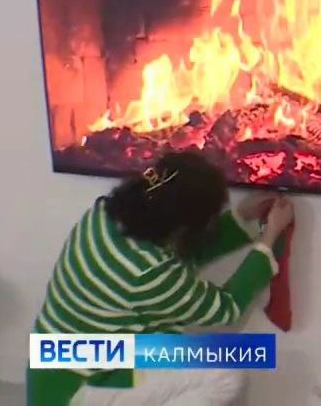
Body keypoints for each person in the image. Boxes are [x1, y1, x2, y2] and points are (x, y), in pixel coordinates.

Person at [27, 151, 294, 405]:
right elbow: (226, 309)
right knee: (226, 372)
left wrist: (241, 216)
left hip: (57, 362)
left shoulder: (103, 215)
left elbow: (180, 255)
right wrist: (269, 238)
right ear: (182, 229)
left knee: (173, 340)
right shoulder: (148, 272)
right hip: (75, 388)